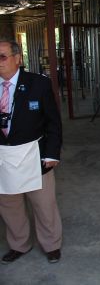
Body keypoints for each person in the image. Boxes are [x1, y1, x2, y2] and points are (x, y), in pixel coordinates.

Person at [0, 39, 63, 264]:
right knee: (10, 205)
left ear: (17, 59)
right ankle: (19, 244)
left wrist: (52, 153)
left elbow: (53, 122)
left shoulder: (38, 84)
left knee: (44, 204)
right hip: (3, 156)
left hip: (34, 153)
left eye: (3, 56)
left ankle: (51, 245)